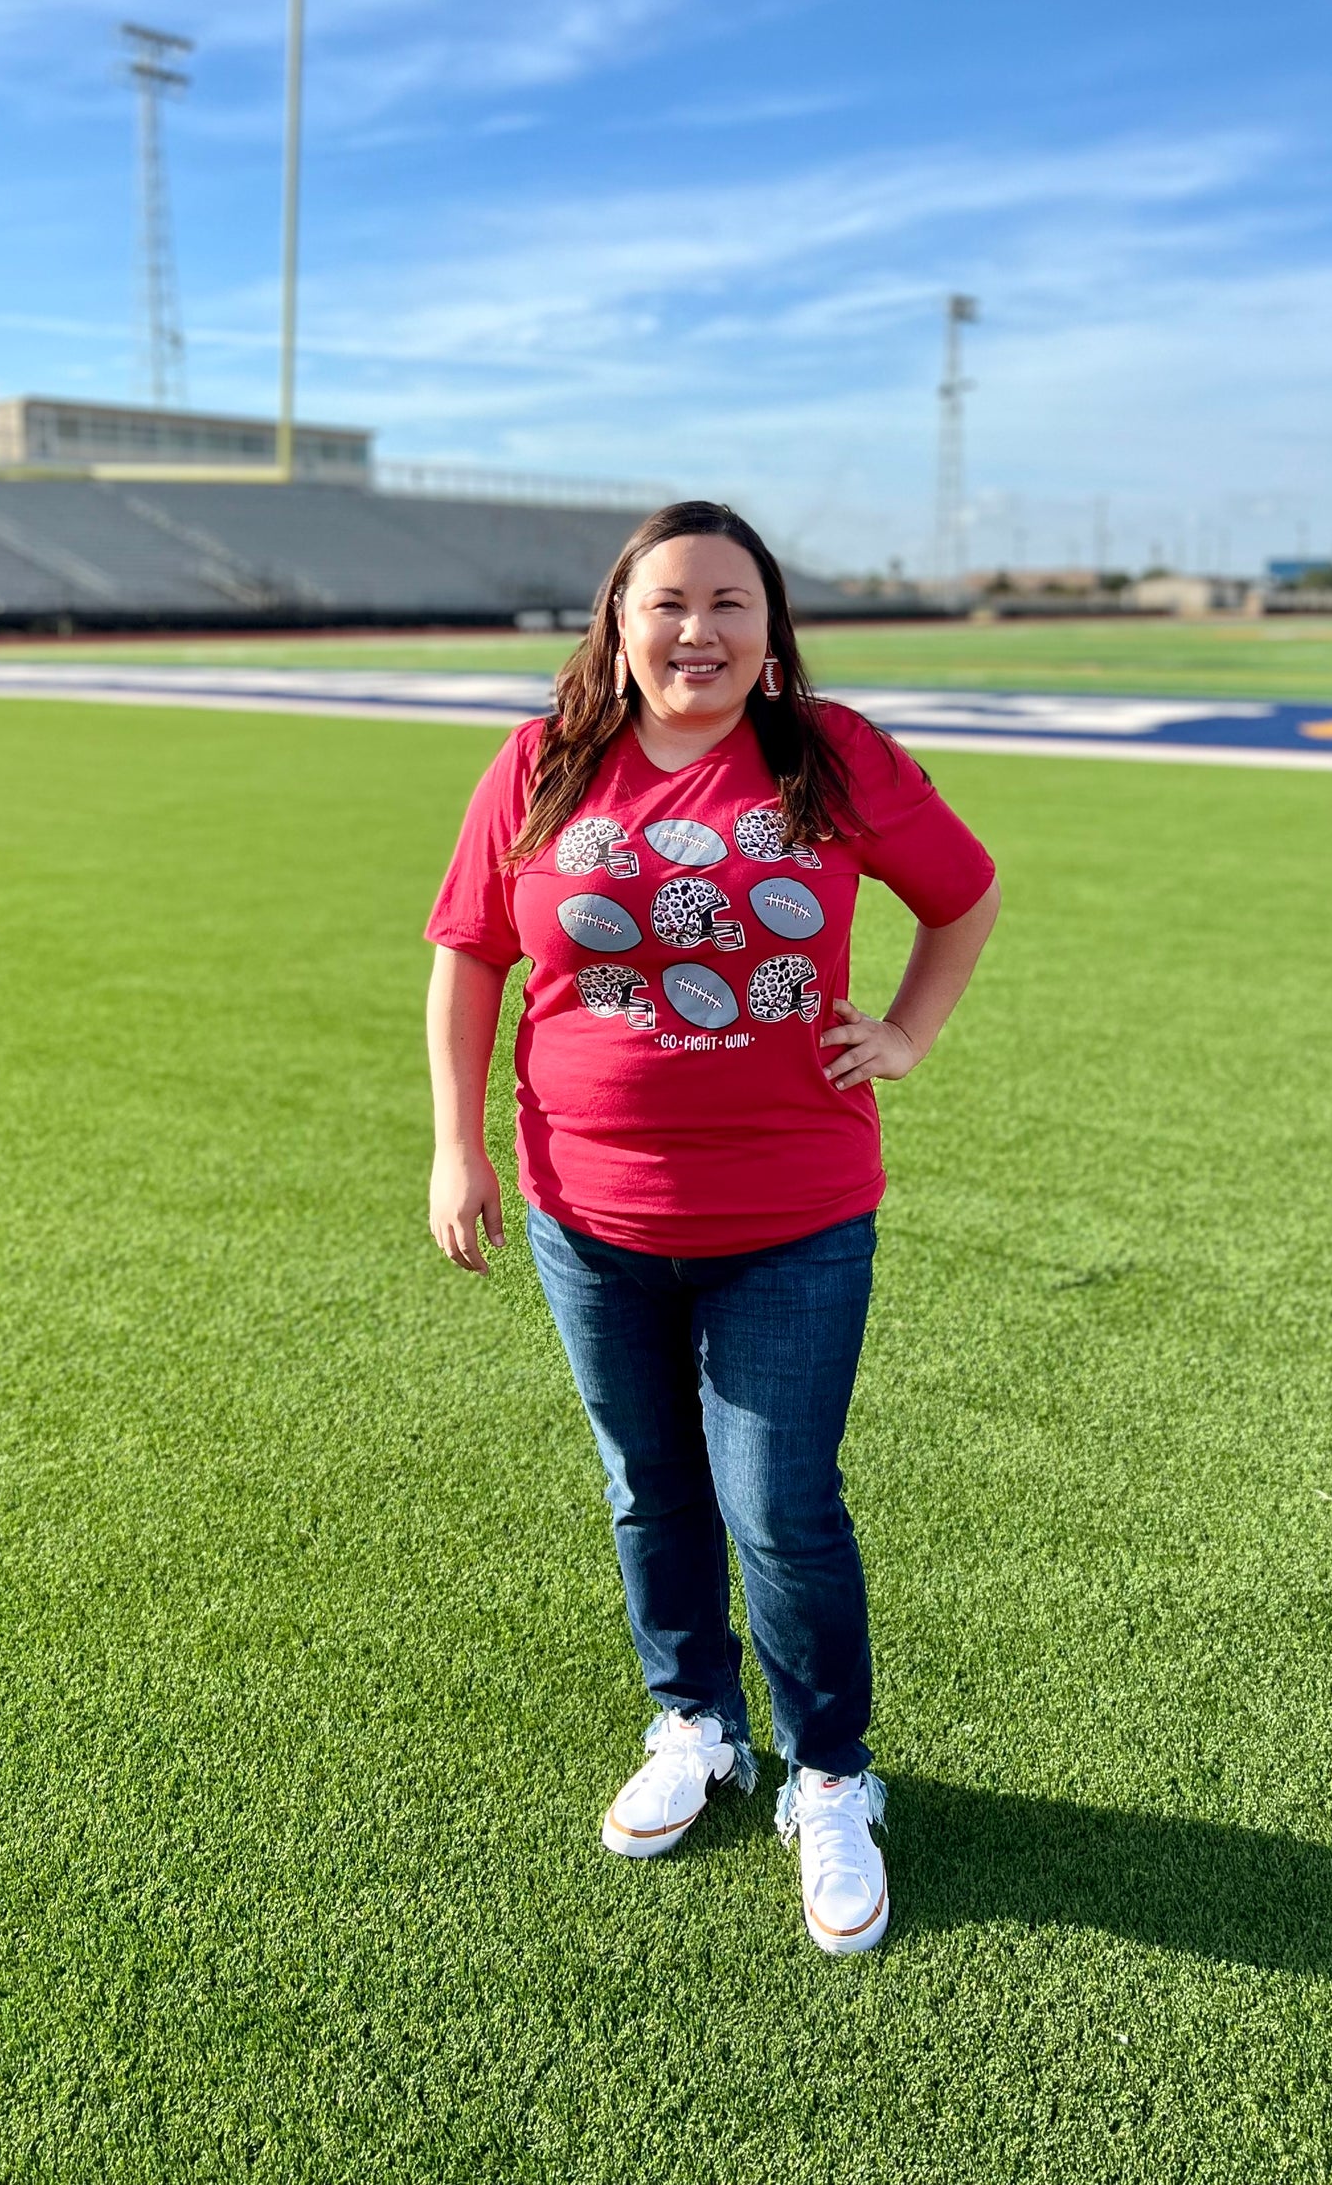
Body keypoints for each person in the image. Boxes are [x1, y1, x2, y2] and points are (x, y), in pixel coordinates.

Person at [424, 501, 998, 1955]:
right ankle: (695, 1726)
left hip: (794, 1213)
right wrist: (455, 1146)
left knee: (782, 1508)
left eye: (731, 602)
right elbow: (469, 952)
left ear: (771, 624)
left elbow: (963, 896)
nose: (699, 631)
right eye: (668, 602)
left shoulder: (830, 752)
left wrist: (910, 1036)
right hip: (586, 1206)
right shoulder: (545, 763)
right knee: (647, 1485)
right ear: (618, 621)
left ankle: (828, 1776)